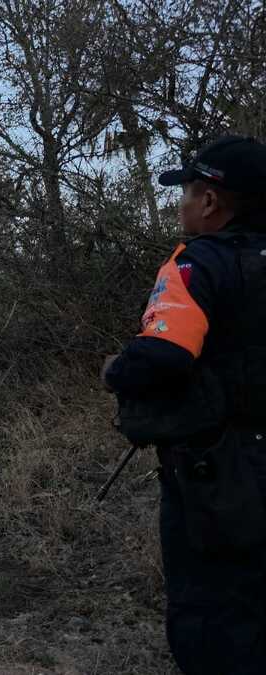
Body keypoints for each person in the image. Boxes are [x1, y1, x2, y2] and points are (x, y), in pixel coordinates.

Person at [102, 135, 266, 674]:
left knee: (210, 608)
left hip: (220, 472)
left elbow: (164, 354)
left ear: (212, 203)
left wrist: (117, 370)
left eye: (189, 193)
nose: (182, 204)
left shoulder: (198, 265)